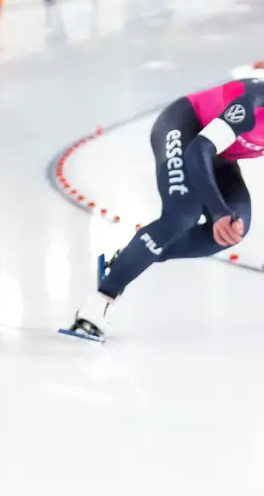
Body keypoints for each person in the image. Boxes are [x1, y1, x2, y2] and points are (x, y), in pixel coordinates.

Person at [66, 69, 264, 340]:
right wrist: (218, 211)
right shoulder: (255, 100)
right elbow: (198, 150)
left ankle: (126, 259)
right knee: (183, 215)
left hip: (219, 154)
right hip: (185, 129)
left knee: (234, 230)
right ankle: (97, 306)